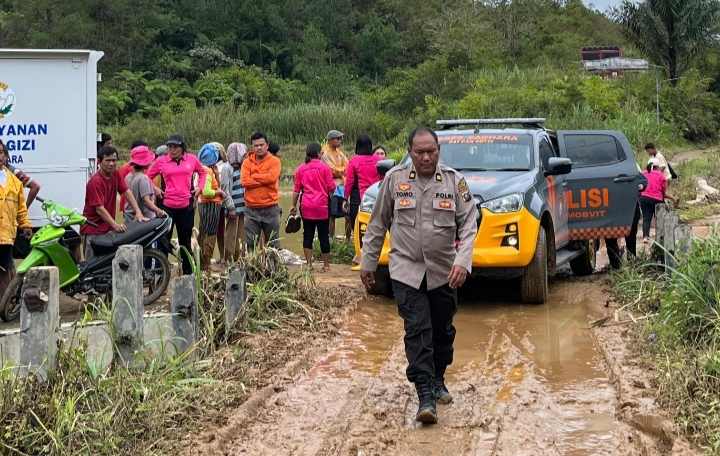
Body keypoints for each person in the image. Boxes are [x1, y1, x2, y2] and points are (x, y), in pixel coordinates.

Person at [360, 127, 478, 425]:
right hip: (406, 270)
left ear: (439, 151)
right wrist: (368, 263)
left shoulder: (454, 181)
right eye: (419, 152)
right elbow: (378, 223)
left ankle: (438, 379)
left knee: (442, 331)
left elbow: (468, 224)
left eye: (431, 152)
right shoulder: (395, 180)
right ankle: (425, 394)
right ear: (410, 152)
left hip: (444, 272)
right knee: (417, 330)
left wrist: (463, 261)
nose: (426, 158)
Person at [148, 134, 207, 274]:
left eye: (175, 147)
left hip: (186, 207)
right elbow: (147, 176)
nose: (172, 150)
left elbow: (202, 173)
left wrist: (200, 188)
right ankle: (160, 274)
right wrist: (155, 189)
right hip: (167, 207)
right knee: (164, 241)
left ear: (182, 147)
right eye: (170, 147)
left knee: (185, 241)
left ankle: (188, 274)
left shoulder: (192, 159)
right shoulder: (162, 161)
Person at [81, 145, 148, 260]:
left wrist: (138, 212)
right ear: (99, 161)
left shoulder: (115, 174)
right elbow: (99, 209)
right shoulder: (95, 182)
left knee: (107, 263)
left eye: (114, 160)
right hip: (93, 230)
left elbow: (126, 192)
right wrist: (115, 225)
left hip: (108, 229)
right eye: (108, 160)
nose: (111, 164)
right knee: (92, 265)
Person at [291, 143, 336, 271]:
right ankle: (326, 265)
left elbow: (296, 190)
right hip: (322, 207)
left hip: (306, 207)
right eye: (321, 152)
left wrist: (293, 205)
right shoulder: (325, 168)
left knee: (307, 235)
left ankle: (309, 265)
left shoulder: (301, 169)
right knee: (323, 235)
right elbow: (331, 187)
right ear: (318, 154)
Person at [0, 141, 32, 293]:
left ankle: (4, 303)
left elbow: (21, 209)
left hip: (6, 236)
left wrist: (25, 225)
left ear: (6, 155)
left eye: (1, 152)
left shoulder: (14, 182)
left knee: (4, 273)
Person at [241, 132, 282, 251]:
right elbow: (244, 181)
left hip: (271, 208)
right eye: (256, 145)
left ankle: (273, 264)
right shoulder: (247, 162)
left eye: (261, 145)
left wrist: (254, 176)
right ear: (252, 147)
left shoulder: (275, 161)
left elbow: (272, 178)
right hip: (251, 210)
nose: (259, 148)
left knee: (273, 244)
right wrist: (264, 178)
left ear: (267, 145)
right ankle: (253, 263)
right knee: (250, 244)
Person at [196, 143, 227, 271]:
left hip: (203, 205)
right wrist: (219, 192)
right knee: (210, 234)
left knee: (203, 232)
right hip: (210, 206)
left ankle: (200, 261)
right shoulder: (207, 171)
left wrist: (217, 175)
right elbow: (207, 192)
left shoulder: (202, 169)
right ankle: (206, 263)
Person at [344, 135, 381, 239]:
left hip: (358, 198)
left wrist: (345, 198)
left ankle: (360, 246)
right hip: (376, 196)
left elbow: (349, 182)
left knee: (358, 226)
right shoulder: (378, 160)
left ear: (357, 146)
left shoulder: (354, 161)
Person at [123, 145, 166, 223]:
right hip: (144, 219)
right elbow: (146, 201)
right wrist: (159, 211)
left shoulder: (128, 177)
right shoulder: (143, 178)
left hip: (129, 217)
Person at [321, 130, 349, 239]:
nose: (340, 140)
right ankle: (331, 239)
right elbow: (331, 170)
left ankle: (348, 240)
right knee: (332, 215)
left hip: (343, 187)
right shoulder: (325, 154)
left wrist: (341, 171)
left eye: (340, 138)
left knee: (347, 214)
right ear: (330, 140)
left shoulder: (340, 153)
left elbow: (348, 167)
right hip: (332, 189)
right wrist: (342, 170)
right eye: (338, 138)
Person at [640, 158, 673, 242]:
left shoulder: (642, 173)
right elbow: (663, 190)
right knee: (659, 218)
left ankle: (645, 237)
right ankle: (660, 237)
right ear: (657, 167)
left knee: (646, 218)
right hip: (657, 199)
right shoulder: (660, 175)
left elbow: (639, 186)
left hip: (644, 198)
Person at [224, 143, 247, 261]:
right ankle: (228, 259)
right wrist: (230, 207)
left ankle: (240, 258)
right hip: (233, 207)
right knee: (231, 234)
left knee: (242, 234)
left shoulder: (244, 167)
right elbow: (225, 189)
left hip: (244, 207)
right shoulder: (227, 168)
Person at [212, 142, 233, 262]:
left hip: (224, 201)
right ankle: (221, 256)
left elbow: (225, 187)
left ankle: (226, 256)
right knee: (218, 231)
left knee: (226, 230)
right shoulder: (207, 166)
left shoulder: (225, 166)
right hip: (213, 201)